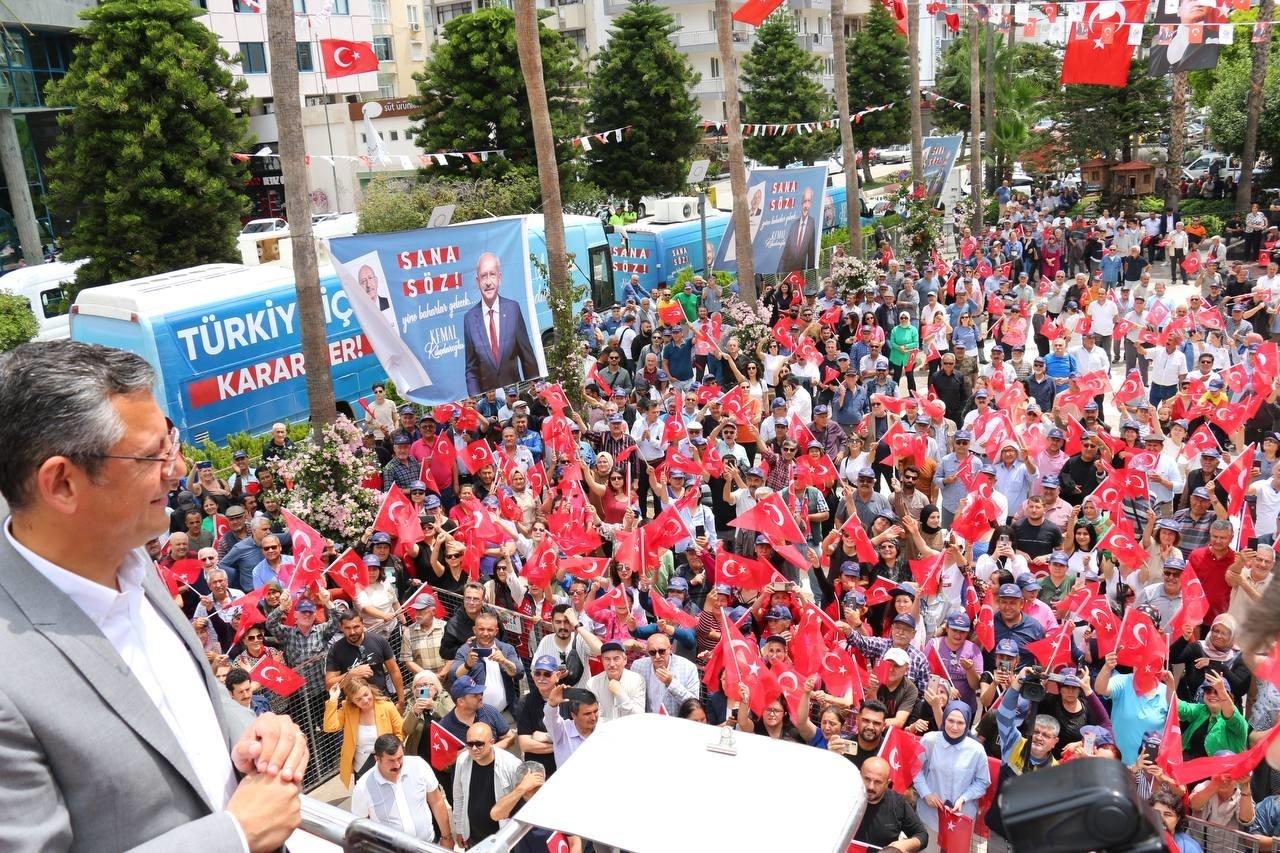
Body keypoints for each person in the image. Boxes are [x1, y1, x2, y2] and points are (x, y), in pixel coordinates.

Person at [0, 340, 306, 851]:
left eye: (172, 442)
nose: (179, 468)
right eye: (151, 456)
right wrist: (234, 836)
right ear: (62, 484)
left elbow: (186, 701)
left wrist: (251, 733)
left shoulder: (129, 553)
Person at [350, 733, 453, 848]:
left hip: (428, 846)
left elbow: (437, 802)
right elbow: (360, 826)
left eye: (400, 758)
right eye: (391, 761)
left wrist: (447, 837)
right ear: (377, 759)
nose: (397, 764)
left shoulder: (419, 766)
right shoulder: (363, 787)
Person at [914, 701, 990, 851]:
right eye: (950, 720)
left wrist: (964, 798)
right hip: (930, 813)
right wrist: (926, 794)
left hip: (961, 817)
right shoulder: (930, 740)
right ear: (944, 719)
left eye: (960, 722)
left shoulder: (976, 750)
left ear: (968, 723)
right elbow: (915, 769)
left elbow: (982, 781)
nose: (954, 727)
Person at [463, 252, 540, 395]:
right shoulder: (469, 319)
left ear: (500, 277)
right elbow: (471, 370)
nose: (488, 282)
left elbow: (527, 357)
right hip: (488, 399)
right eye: (483, 276)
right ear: (477, 281)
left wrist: (536, 388)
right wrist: (475, 398)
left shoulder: (513, 309)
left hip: (514, 394)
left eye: (492, 274)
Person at [323, 675, 404, 789]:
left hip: (387, 764)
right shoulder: (348, 709)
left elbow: (400, 733)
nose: (365, 700)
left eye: (366, 694)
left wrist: (391, 755)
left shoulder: (387, 706)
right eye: (358, 699)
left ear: (370, 689)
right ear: (352, 701)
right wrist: (333, 699)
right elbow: (330, 726)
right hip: (361, 767)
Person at [451, 722, 522, 848]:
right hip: (473, 838)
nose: (474, 748)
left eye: (479, 744)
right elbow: (459, 797)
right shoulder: (462, 761)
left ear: (492, 742)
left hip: (502, 839)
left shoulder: (511, 765)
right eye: (469, 744)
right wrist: (460, 830)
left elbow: (520, 803)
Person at [325, 609, 405, 709]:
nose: (352, 632)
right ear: (341, 628)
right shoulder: (336, 650)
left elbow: (394, 670)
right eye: (347, 628)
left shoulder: (378, 640)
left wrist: (401, 700)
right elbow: (329, 685)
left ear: (363, 624)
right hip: (354, 706)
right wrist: (350, 675)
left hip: (381, 701)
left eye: (356, 627)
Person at [853, 756, 929, 852]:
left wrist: (905, 845)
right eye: (867, 779)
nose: (870, 787)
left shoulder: (897, 803)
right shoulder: (844, 796)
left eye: (878, 782)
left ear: (887, 783)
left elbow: (922, 835)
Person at [630, 633, 701, 715]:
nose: (657, 656)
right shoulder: (638, 666)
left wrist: (671, 683)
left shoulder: (688, 668)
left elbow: (695, 706)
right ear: (647, 651)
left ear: (670, 649)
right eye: (652, 652)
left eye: (661, 651)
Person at [586, 640, 646, 722]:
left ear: (625, 660)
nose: (612, 664)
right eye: (607, 659)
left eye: (616, 659)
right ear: (602, 661)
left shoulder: (637, 680)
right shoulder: (592, 683)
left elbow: (639, 716)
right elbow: (595, 718)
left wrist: (620, 694)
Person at [777, 187, 818, 274]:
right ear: (801, 203)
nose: (806, 205)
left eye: (809, 201)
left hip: (800, 271)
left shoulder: (812, 223)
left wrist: (811, 274)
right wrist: (779, 273)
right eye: (804, 201)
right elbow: (785, 252)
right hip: (786, 270)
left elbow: (811, 252)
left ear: (811, 204)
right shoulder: (794, 225)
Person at [1153, 788, 1205, 853]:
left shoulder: (1190, 848)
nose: (1160, 819)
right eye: (1155, 813)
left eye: (1167, 814)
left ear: (1178, 818)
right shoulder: (1139, 839)